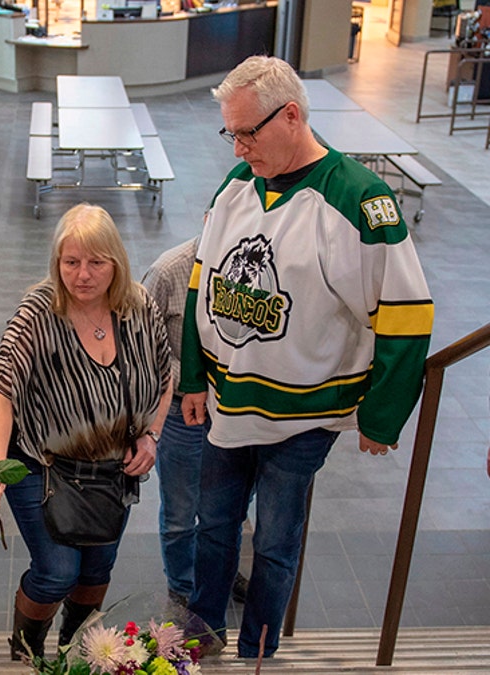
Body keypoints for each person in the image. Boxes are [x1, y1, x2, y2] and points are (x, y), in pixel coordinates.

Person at [181, 55, 433, 659]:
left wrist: (382, 414)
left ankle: (259, 648)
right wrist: (193, 375)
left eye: (248, 132)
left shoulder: (360, 199)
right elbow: (200, 284)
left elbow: (406, 312)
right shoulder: (235, 185)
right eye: (230, 133)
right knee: (211, 528)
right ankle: (203, 631)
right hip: (226, 405)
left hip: (303, 418)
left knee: (273, 540)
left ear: (291, 115)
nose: (238, 147)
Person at [0, 203, 171, 661]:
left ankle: (80, 654)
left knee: (97, 570)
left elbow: (165, 376)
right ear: (57, 262)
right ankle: (25, 648)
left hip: (111, 473)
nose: (82, 275)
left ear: (116, 263)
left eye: (96, 262)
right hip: (43, 468)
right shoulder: (39, 313)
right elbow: (1, 392)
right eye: (71, 262)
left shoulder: (138, 306)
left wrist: (150, 436)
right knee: (57, 573)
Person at [141, 236, 249, 609]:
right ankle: (184, 588)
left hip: (236, 415)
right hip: (179, 417)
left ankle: (219, 572)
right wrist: (196, 381)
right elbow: (141, 346)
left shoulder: (251, 266)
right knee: (181, 514)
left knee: (228, 509)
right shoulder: (168, 271)